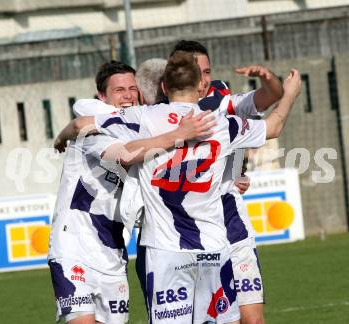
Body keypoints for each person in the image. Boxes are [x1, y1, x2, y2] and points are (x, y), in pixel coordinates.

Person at [59, 51, 301, 323]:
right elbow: (274, 125)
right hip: (213, 248)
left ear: (164, 87)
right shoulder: (220, 123)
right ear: (200, 85)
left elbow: (81, 124)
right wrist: (290, 92)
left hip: (165, 252)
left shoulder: (144, 118)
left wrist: (60, 139)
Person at [49, 60, 214, 324]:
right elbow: (124, 155)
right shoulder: (96, 130)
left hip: (113, 251)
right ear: (102, 97)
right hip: (75, 245)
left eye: (132, 89)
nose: (127, 96)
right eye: (119, 90)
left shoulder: (139, 127)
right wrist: (178, 134)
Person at [171, 40, 285, 324]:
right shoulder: (163, 113)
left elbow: (253, 113)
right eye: (197, 73)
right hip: (190, 231)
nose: (203, 80)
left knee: (253, 319)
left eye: (207, 72)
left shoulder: (219, 98)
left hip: (231, 220)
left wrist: (235, 172)